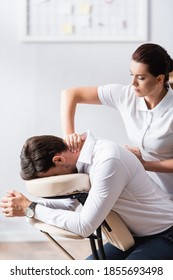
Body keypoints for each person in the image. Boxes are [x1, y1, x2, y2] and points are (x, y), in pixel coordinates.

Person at [1, 130, 173, 260]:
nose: (58, 181)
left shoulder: (107, 162)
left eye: (53, 177)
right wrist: (26, 206)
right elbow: (70, 204)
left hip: (165, 233)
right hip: (131, 236)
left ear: (58, 160)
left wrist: (31, 208)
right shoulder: (80, 160)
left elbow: (84, 226)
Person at [60, 43, 173, 196]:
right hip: (146, 188)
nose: (133, 83)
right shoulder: (125, 95)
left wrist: (145, 164)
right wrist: (69, 135)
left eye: (141, 78)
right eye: (131, 75)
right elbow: (70, 94)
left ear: (159, 79)